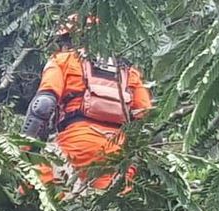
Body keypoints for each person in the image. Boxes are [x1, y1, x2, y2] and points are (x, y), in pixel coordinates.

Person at [21, 15, 153, 191]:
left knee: (34, 188)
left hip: (76, 145)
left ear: (70, 38)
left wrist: (21, 151)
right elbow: (148, 122)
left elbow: (43, 106)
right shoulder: (128, 71)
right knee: (113, 206)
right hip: (120, 153)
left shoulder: (63, 60)